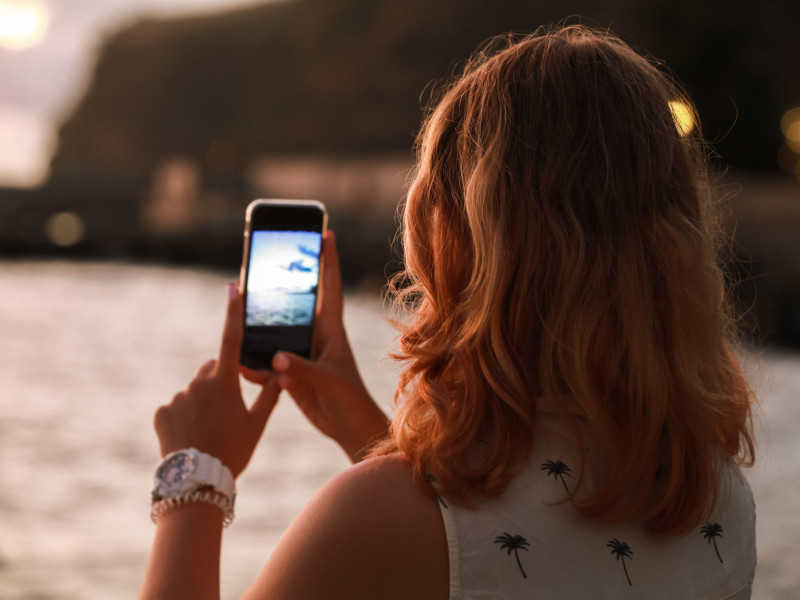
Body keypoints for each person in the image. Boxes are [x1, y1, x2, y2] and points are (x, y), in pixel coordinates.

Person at [140, 24, 756, 599]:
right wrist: (362, 427)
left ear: (458, 241)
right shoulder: (716, 497)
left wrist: (195, 477)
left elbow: (442, 537)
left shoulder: (372, 519)